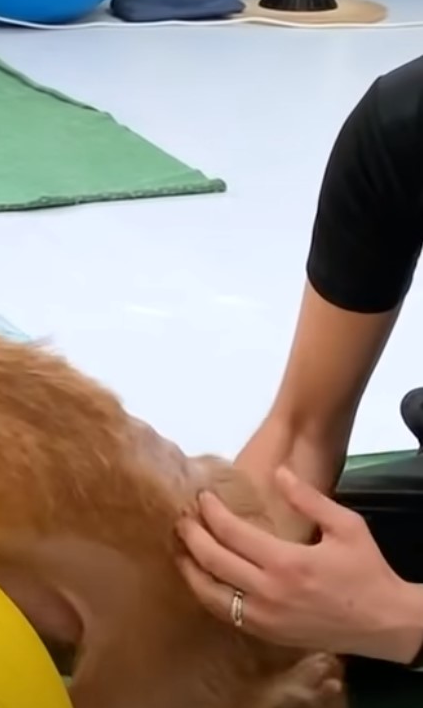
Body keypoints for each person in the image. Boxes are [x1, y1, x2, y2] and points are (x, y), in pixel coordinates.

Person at [177, 54, 423, 669]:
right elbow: (303, 428)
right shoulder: (401, 125)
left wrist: (402, 620)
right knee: (166, 580)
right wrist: (238, 577)